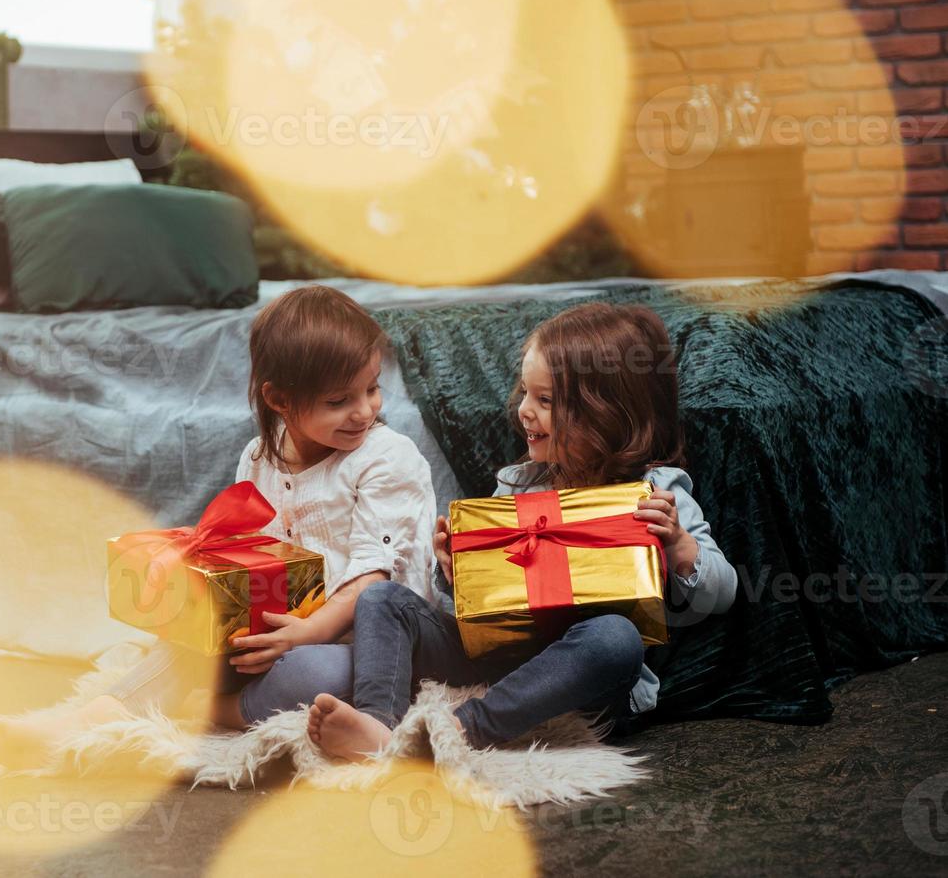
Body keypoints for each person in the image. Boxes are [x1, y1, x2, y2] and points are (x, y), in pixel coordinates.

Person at [0, 285, 437, 766]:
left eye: (372, 388)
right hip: (283, 624)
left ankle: (208, 709)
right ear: (280, 400)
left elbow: (371, 581)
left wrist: (302, 634)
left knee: (310, 675)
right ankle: (92, 718)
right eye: (338, 401)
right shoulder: (260, 455)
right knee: (191, 635)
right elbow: (251, 557)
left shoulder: (385, 458)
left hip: (365, 641)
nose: (365, 410)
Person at [308, 301, 737, 760]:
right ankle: (377, 729)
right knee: (382, 598)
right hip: (502, 654)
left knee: (616, 637)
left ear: (604, 413)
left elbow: (721, 595)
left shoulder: (656, 492)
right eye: (526, 394)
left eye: (545, 401)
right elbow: (472, 609)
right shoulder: (517, 485)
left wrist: (679, 544)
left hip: (581, 678)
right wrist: (455, 570)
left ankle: (463, 728)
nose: (524, 412)